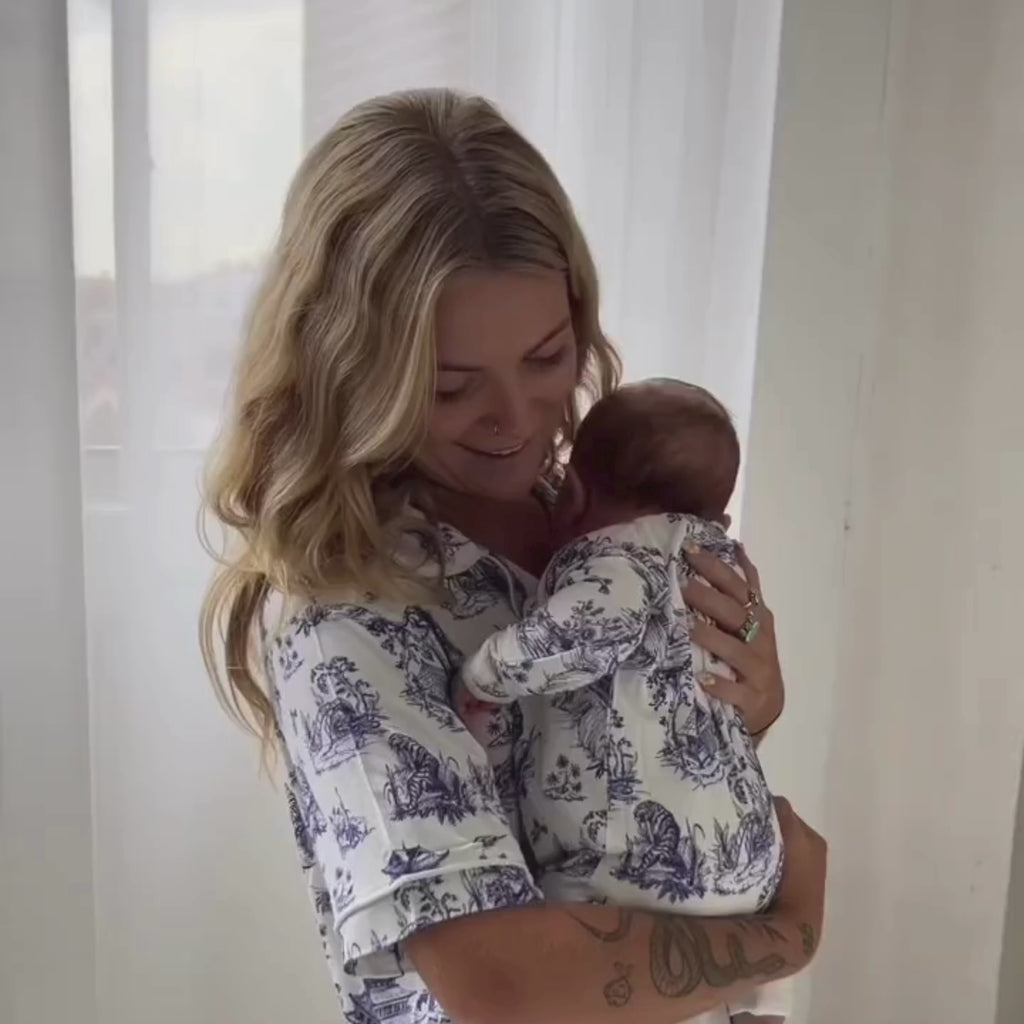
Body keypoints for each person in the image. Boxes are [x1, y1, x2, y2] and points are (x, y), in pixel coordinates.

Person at [200, 88, 826, 1024]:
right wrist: (791, 933)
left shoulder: (603, 525)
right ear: (350, 373)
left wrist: (745, 709)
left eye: (544, 359)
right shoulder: (348, 620)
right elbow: (504, 991)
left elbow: (647, 795)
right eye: (452, 386)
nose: (517, 421)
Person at [456, 378, 790, 1024]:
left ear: (574, 494)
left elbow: (594, 625)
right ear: (719, 520)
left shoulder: (619, 555)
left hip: (630, 865)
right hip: (739, 855)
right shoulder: (718, 570)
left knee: (574, 955)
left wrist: (486, 674)